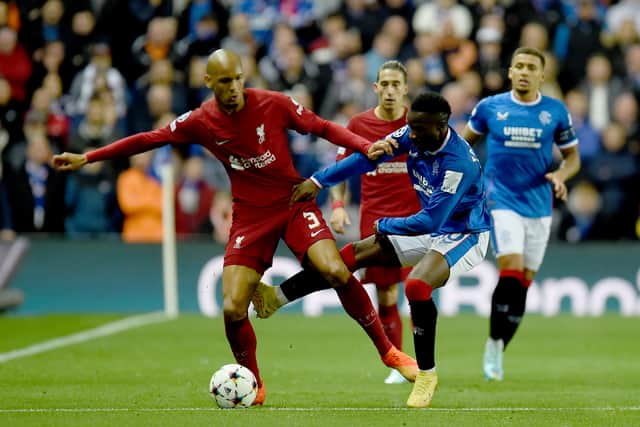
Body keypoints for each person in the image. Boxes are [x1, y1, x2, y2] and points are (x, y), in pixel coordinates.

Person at [52, 49, 417, 406]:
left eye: (238, 79)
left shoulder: (274, 103)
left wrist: (363, 145)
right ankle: (252, 382)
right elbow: (151, 138)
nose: (233, 88)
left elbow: (321, 126)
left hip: (292, 201)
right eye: (224, 81)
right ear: (209, 81)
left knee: (335, 268)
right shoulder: (201, 120)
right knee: (232, 308)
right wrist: (89, 156)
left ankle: (388, 352)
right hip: (250, 216)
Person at [253, 91, 491, 407]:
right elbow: (368, 157)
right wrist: (319, 181)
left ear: (442, 126)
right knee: (350, 256)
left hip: (464, 234)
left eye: (419, 129)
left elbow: (432, 220)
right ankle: (276, 297)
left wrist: (386, 225)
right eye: (411, 127)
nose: (412, 134)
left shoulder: (457, 163)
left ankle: (426, 375)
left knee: (418, 285)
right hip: (431, 226)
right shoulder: (414, 133)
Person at [461, 47, 581, 382]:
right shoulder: (490, 108)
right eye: (519, 66)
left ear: (542, 75)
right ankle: (494, 348)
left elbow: (573, 158)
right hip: (500, 200)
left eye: (532, 67)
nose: (525, 72)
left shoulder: (554, 112)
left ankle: (496, 344)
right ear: (510, 72)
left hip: (539, 206)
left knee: (523, 285)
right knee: (510, 271)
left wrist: (560, 176)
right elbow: (464, 145)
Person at [328, 60, 421, 385]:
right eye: (385, 84)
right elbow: (339, 169)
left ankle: (420, 361)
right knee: (386, 295)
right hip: (377, 224)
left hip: (416, 222)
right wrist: (338, 205)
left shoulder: (419, 122)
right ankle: (399, 360)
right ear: (375, 88)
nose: (391, 90)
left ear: (406, 88)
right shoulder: (359, 124)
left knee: (416, 290)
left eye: (397, 84)